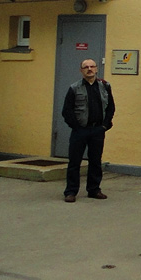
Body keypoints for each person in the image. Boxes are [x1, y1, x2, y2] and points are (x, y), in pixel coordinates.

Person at [61, 58, 115, 202]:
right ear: (81, 70)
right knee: (74, 162)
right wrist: (77, 127)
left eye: (92, 66)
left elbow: (110, 107)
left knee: (96, 161)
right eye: (86, 67)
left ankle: (94, 189)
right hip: (80, 131)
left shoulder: (105, 86)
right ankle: (71, 192)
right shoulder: (74, 88)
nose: (89, 69)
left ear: (96, 69)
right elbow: (67, 111)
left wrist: (104, 126)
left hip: (97, 130)